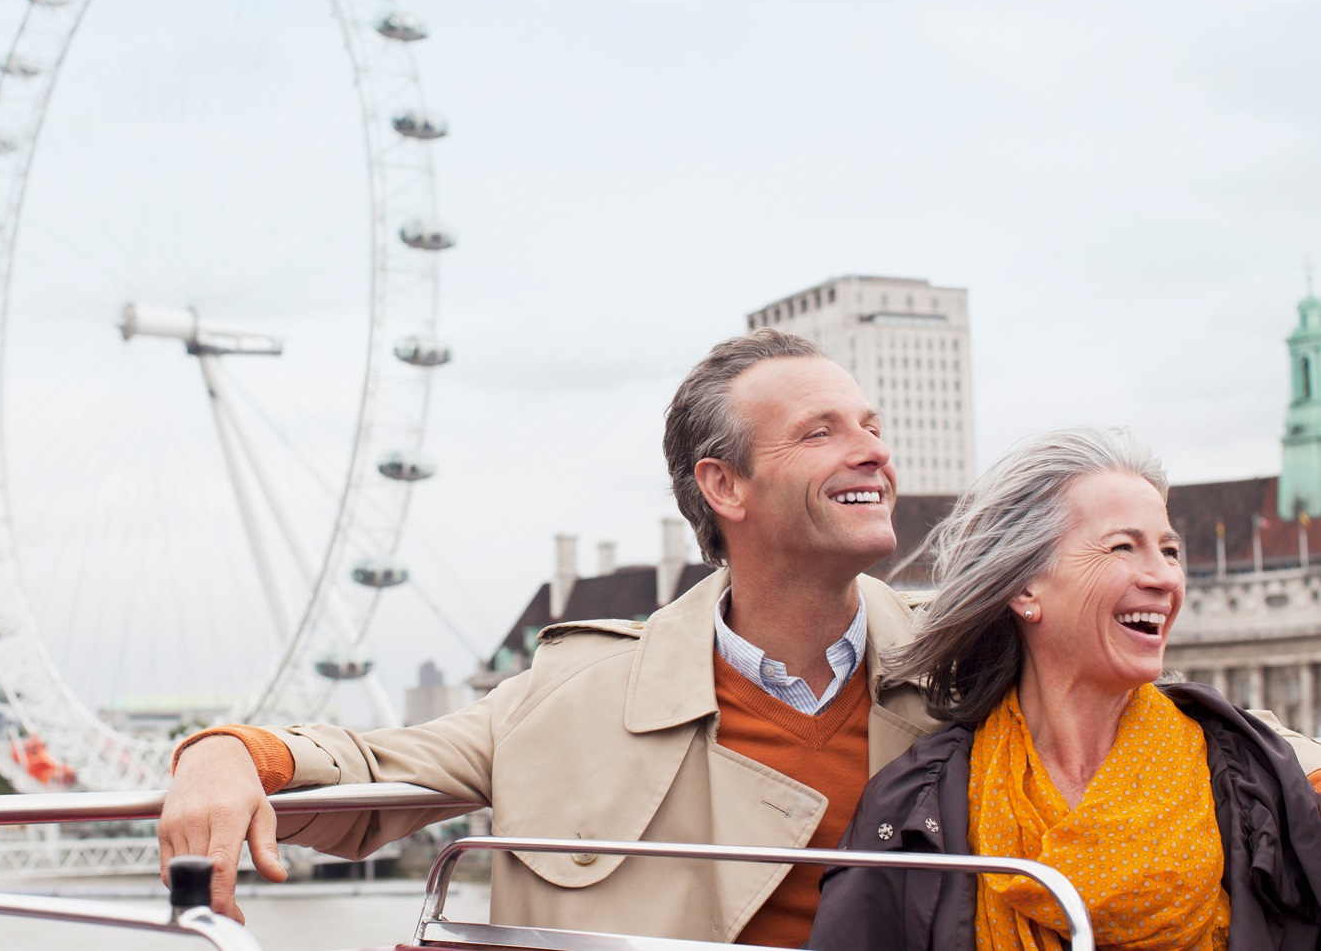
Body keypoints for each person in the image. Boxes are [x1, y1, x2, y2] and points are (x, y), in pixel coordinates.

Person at [158, 329, 943, 945]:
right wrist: (226, 754)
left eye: (871, 427)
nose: (872, 449)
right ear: (724, 486)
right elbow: (369, 775)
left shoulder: (965, 666)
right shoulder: (573, 695)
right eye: (820, 433)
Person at [808, 427, 1321, 951]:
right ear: (1026, 586)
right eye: (1124, 546)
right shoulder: (914, 804)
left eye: (1169, 551)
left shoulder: (1264, 780)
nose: (1165, 577)